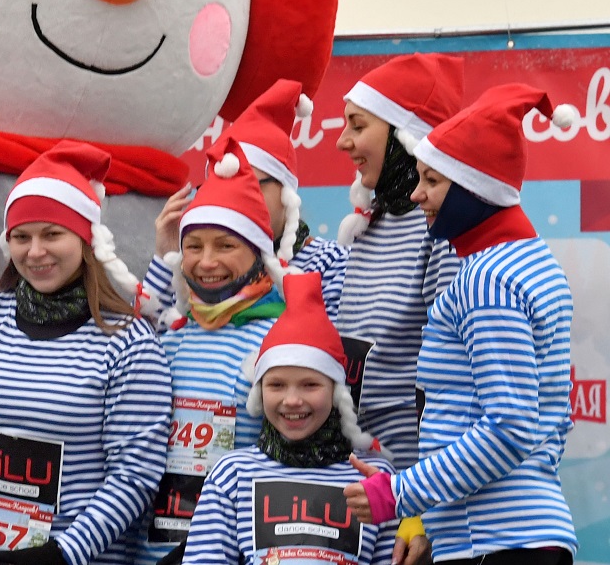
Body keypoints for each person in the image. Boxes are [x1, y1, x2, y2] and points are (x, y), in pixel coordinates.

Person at [344, 84, 578, 565]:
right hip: (514, 534)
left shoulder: (489, 279)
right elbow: (548, 416)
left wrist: (401, 492)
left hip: (495, 540)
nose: (416, 193)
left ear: (475, 187)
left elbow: (510, 425)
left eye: (431, 179)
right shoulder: (531, 264)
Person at [0, 141, 172, 565]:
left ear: (87, 239)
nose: (35, 252)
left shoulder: (129, 343)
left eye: (53, 234)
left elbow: (134, 475)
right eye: (21, 236)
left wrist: (61, 554)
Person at [133, 136, 288, 565]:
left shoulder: (284, 337)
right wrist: (164, 254)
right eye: (194, 246)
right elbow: (119, 345)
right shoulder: (170, 336)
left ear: (258, 252)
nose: (206, 261)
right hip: (147, 551)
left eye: (226, 245)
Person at [183, 272, 396, 565]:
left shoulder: (374, 475)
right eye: (276, 385)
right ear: (259, 393)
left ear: (336, 393)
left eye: (310, 384)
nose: (292, 399)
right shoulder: (232, 474)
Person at [332, 53, 465, 470]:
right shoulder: (370, 222)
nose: (342, 141)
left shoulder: (440, 229)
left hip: (413, 479)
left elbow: (451, 374)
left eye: (358, 125)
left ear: (404, 137)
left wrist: (425, 500)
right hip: (365, 475)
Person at [145, 79, 348, 322]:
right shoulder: (203, 266)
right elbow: (149, 342)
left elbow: (338, 349)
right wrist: (167, 256)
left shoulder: (331, 263)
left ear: (287, 193)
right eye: (222, 186)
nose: (237, 198)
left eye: (251, 185)